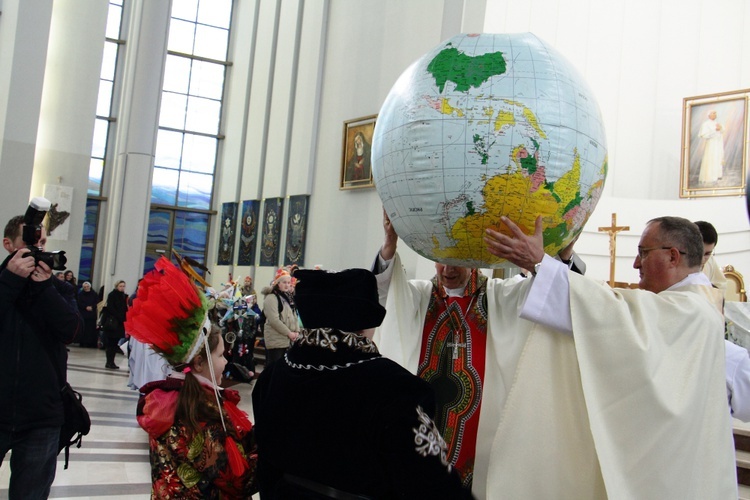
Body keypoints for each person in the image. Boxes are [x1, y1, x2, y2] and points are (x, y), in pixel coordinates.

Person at [475, 215, 736, 498]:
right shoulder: (699, 306)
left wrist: (539, 262)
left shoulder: (689, 311)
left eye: (643, 253)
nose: (636, 264)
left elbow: (608, 315)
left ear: (673, 257)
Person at [372, 211, 583, 490]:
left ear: (473, 261)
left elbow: (551, 297)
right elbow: (382, 296)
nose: (448, 270)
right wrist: (389, 246)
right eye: (442, 262)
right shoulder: (420, 297)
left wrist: (561, 259)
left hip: (480, 438)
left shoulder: (498, 296)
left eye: (457, 262)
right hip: (422, 430)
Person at [252, 268, 473, 499]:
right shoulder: (398, 389)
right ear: (366, 321)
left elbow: (266, 470)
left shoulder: (271, 377)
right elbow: (434, 485)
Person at [128, 257, 257, 498]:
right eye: (220, 355)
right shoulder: (200, 412)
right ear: (198, 362)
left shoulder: (168, 398)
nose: (225, 362)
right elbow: (238, 481)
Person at [0, 214, 83, 499]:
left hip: (41, 416)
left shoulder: (59, 289)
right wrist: (10, 282)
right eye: (30, 242)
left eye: (43, 243)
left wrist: (44, 289)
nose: (38, 250)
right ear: (8, 245)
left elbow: (71, 330)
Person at [260, 269, 299, 367]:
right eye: (284, 282)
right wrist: (289, 333)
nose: (287, 285)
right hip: (276, 340)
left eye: (289, 282)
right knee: (274, 369)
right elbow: (274, 320)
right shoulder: (271, 298)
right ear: (278, 283)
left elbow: (294, 317)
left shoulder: (287, 297)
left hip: (287, 340)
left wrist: (297, 331)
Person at [694, 220, 728, 295]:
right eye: (698, 253)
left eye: (707, 254)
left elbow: (721, 286)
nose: (702, 259)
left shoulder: (710, 261)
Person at [101, 280, 128, 369]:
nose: (122, 288)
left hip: (119, 323)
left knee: (114, 343)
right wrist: (120, 316)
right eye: (120, 286)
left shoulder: (124, 296)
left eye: (123, 286)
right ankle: (109, 362)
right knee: (110, 343)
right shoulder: (112, 295)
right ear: (117, 286)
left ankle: (112, 362)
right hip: (113, 323)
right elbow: (111, 308)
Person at [698, 109, 725, 184]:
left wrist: (720, 128)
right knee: (711, 158)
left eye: (715, 113)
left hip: (718, 143)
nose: (715, 114)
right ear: (709, 115)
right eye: (713, 113)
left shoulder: (717, 123)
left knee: (717, 157)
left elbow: (722, 130)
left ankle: (717, 175)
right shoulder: (706, 124)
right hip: (711, 144)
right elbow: (704, 135)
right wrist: (715, 130)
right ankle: (710, 176)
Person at [77, 281, 100, 347]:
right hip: (84, 313)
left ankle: (91, 342)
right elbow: (79, 303)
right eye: (85, 287)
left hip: (92, 314)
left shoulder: (94, 294)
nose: (86, 288)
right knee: (84, 329)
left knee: (91, 329)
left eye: (87, 287)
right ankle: (83, 342)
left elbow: (97, 302)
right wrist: (85, 307)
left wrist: (92, 307)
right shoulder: (81, 294)